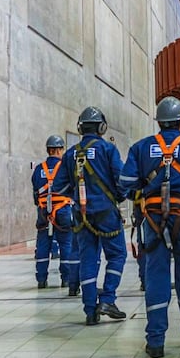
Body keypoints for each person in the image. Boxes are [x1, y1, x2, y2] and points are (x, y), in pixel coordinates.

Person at [120, 97, 180, 358]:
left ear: (159, 122)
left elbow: (126, 181)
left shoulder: (141, 148)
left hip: (151, 219)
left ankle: (155, 341)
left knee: (156, 277)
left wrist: (145, 187)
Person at [52, 107, 128, 325]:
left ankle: (89, 310)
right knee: (116, 255)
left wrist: (76, 193)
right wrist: (119, 197)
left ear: (80, 127)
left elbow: (59, 187)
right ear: (101, 127)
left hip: (80, 214)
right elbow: (121, 180)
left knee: (88, 259)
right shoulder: (108, 150)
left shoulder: (70, 154)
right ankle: (108, 299)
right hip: (106, 213)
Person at [31, 135, 75, 289]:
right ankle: (67, 279)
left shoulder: (38, 169)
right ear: (57, 149)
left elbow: (36, 193)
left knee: (43, 245)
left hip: (44, 211)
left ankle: (41, 280)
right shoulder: (65, 166)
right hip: (62, 210)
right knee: (66, 244)